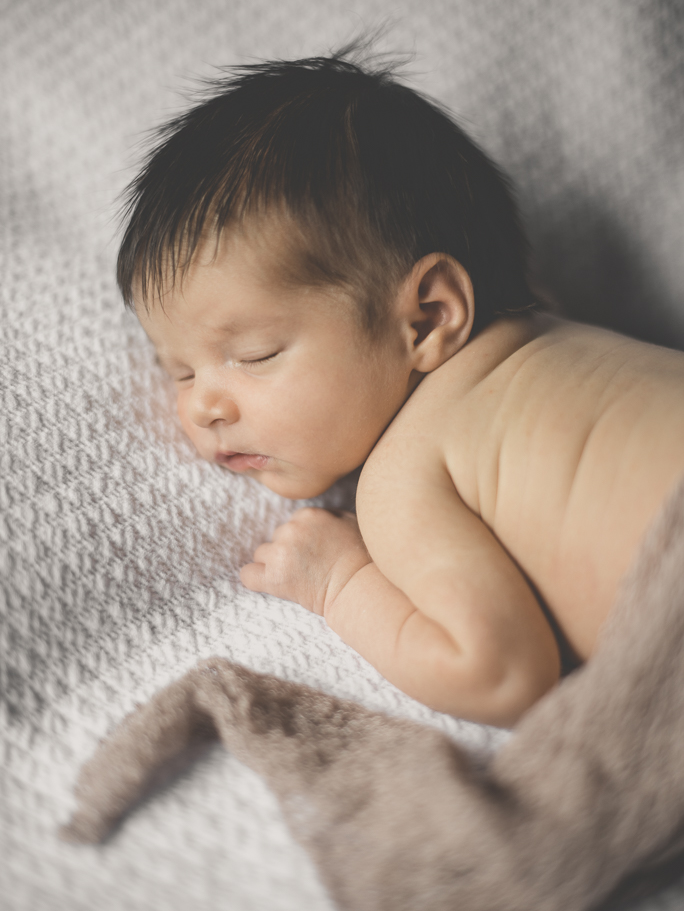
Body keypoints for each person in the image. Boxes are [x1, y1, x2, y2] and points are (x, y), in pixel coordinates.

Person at [118, 46, 684, 728]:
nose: (201, 405)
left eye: (253, 353)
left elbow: (502, 675)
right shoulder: (560, 338)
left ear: (427, 318)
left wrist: (342, 582)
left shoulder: (407, 469)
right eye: (177, 369)